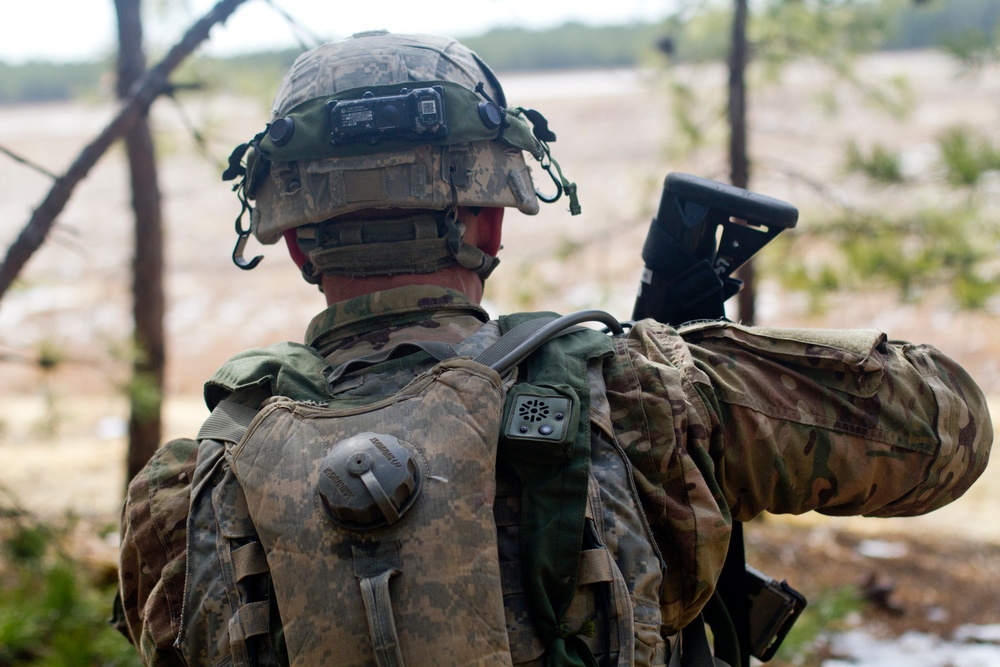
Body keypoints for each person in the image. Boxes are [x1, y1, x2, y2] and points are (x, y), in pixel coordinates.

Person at [114, 31, 992, 667]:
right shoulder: (646, 398)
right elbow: (947, 427)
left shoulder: (180, 492)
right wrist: (696, 361)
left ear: (295, 242)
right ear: (494, 217)